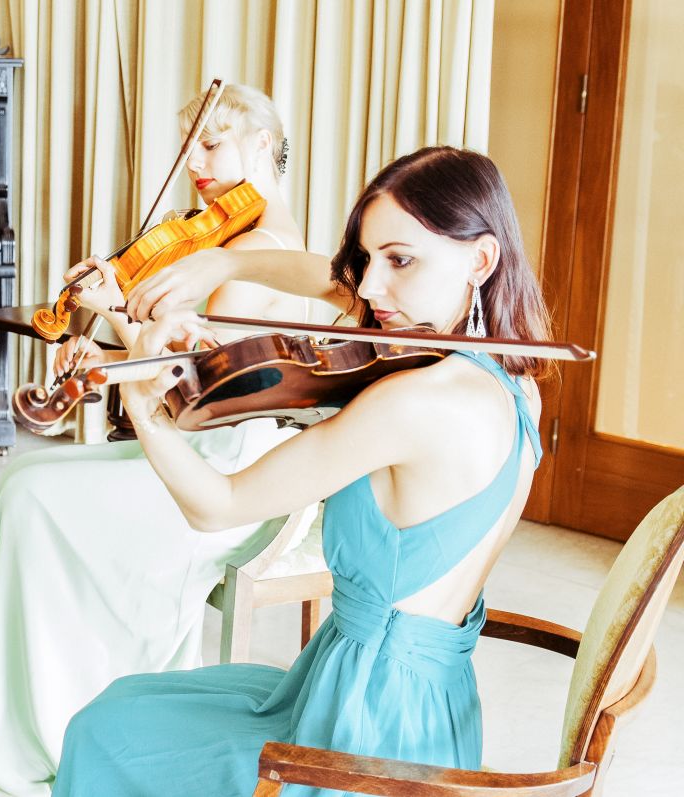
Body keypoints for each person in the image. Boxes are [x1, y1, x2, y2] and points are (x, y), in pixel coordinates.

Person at [53, 145, 552, 795]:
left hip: (361, 733)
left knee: (108, 730)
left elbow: (218, 504)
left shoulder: (413, 402)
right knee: (134, 707)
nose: (367, 288)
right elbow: (326, 277)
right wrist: (223, 260)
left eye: (400, 259)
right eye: (367, 259)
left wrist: (146, 409)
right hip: (430, 711)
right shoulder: (516, 383)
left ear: (480, 260)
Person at [0, 84, 324, 796]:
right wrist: (109, 347)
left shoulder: (260, 248)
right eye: (189, 148)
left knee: (33, 499)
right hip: (194, 441)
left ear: (262, 146)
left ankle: (61, 717)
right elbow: (172, 360)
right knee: (21, 482)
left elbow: (193, 381)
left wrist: (115, 313)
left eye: (211, 144)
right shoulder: (228, 239)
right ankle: (28, 708)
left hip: (225, 463)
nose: (195, 164)